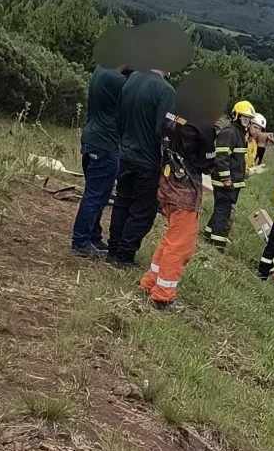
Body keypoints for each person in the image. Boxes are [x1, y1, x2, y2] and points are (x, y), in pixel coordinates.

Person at [138, 71, 226, 311]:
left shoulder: (172, 113)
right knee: (181, 245)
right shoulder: (204, 126)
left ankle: (150, 282)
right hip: (185, 192)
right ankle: (163, 295)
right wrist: (213, 141)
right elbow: (205, 164)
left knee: (171, 239)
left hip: (166, 184)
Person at [107, 68, 176, 268]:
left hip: (126, 153)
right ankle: (125, 255)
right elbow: (163, 131)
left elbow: (118, 117)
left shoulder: (132, 78)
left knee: (122, 202)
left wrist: (125, 143)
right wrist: (167, 161)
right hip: (149, 161)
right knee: (142, 210)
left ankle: (113, 249)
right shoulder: (166, 91)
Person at [71, 61, 129, 257]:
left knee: (98, 193)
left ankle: (93, 236)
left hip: (92, 138)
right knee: (95, 195)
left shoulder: (101, 69)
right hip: (105, 143)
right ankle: (81, 240)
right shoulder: (117, 79)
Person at [203, 100, 255, 252]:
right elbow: (221, 157)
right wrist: (226, 179)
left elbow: (237, 160)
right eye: (244, 116)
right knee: (223, 213)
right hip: (225, 182)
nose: (247, 119)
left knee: (220, 210)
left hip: (233, 182)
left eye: (249, 117)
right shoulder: (230, 132)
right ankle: (217, 246)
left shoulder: (239, 133)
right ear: (236, 115)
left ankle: (207, 235)